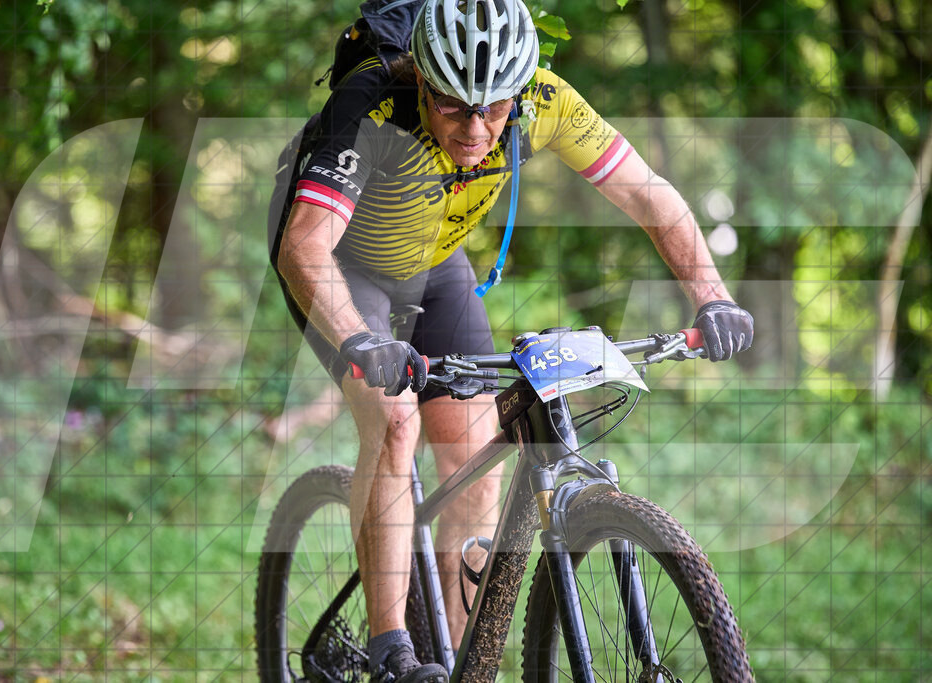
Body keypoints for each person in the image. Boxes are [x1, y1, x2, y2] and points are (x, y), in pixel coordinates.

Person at [268, 0, 754, 679]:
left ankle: (453, 663)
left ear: (521, 92)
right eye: (453, 106)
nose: (476, 128)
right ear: (420, 80)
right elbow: (305, 245)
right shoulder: (373, 103)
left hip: (434, 263)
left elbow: (650, 195)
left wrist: (712, 294)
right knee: (395, 421)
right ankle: (390, 655)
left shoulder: (546, 100)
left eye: (495, 108)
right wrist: (358, 338)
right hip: (343, 262)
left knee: (472, 470)